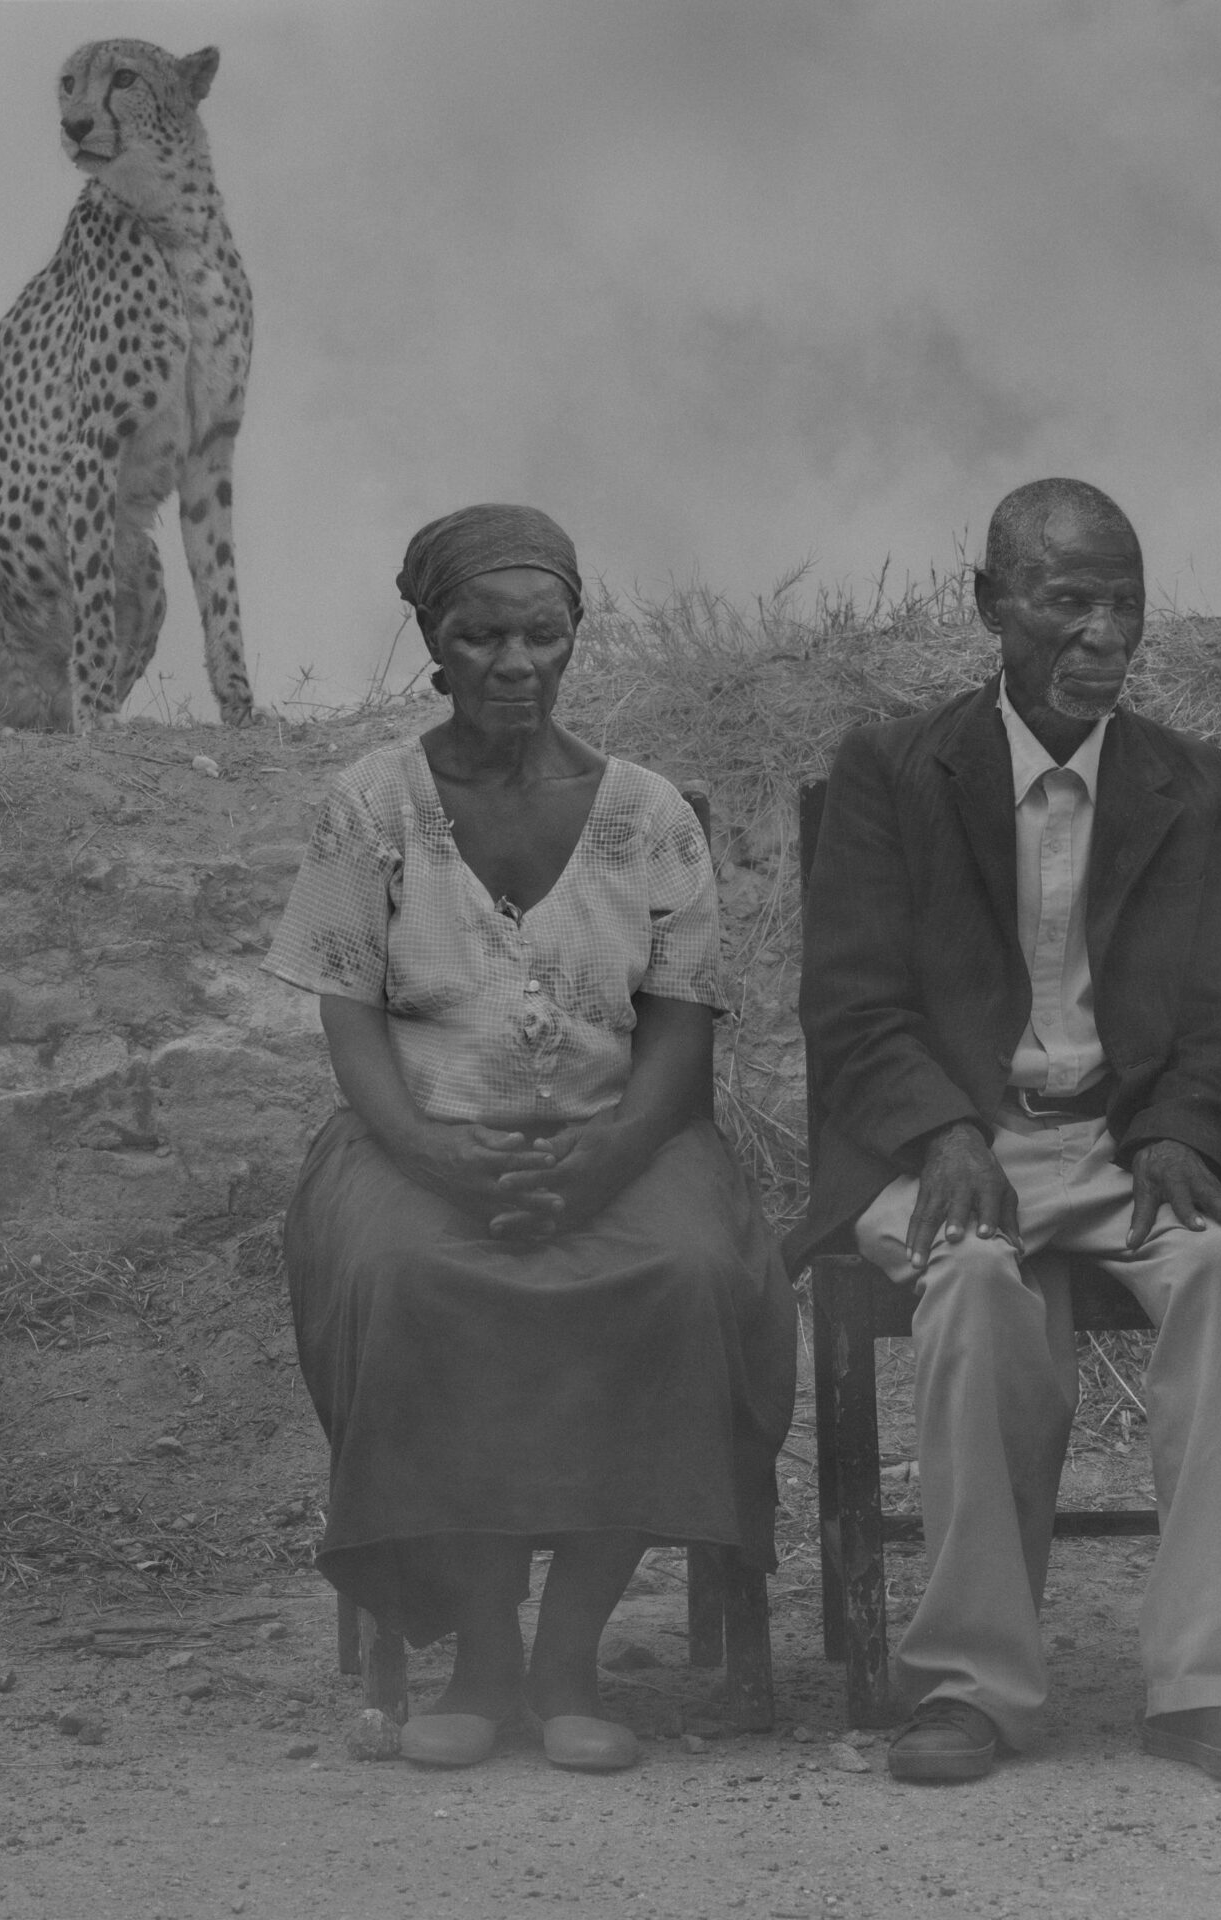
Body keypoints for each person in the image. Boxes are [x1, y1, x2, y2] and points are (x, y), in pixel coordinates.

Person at [794, 478, 1221, 1788]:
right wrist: (944, 1133)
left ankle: (1209, 1686)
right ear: (990, 606)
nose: (1101, 636)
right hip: (952, 1140)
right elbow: (854, 1007)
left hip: (1121, 1143)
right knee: (973, 1290)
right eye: (1067, 600)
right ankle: (973, 1684)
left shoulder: (1199, 790)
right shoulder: (894, 772)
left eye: (1124, 606)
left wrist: (1186, 1132)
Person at [265, 503, 796, 1775]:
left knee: (679, 1279)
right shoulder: (371, 802)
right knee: (410, 1282)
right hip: (417, 1141)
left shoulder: (649, 812)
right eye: (480, 635)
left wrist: (607, 1162)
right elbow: (352, 1030)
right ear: (430, 643)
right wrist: (436, 1158)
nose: (513, 663)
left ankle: (569, 1654)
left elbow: (678, 1043)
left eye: (540, 635)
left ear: (575, 637)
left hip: (624, 1139)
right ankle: (484, 1656)